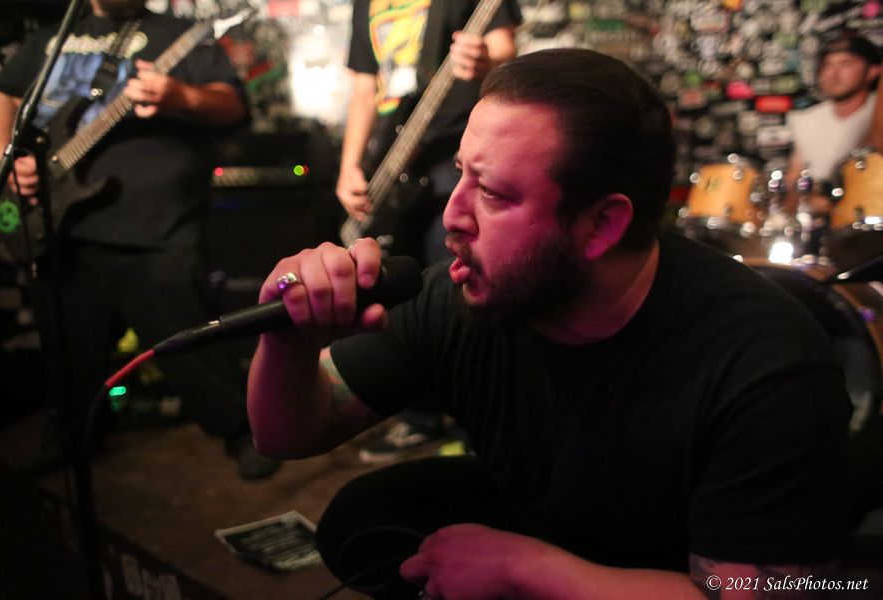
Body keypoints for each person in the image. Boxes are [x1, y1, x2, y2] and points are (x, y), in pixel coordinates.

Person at [248, 49, 852, 598]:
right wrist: (289, 342)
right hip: (557, 520)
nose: (453, 214)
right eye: (461, 174)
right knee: (364, 521)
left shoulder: (766, 363)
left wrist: (527, 571)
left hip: (669, 569)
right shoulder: (462, 296)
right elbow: (288, 435)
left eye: (492, 193)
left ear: (602, 226)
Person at [0, 0, 279, 480]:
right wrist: (5, 157)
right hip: (59, 227)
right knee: (68, 352)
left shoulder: (182, 34)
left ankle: (243, 430)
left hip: (156, 226)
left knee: (192, 344)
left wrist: (179, 96)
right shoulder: (54, 36)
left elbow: (232, 104)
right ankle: (72, 434)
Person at [337, 0, 521, 463]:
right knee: (401, 292)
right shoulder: (366, 4)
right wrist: (349, 166)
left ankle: (475, 425)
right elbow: (364, 89)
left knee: (461, 293)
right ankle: (419, 417)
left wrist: (484, 60)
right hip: (394, 156)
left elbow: (505, 50)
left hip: (455, 154)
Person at [786, 31, 881, 218]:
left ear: (873, 71)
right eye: (827, 65)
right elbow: (794, 177)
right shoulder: (805, 119)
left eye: (846, 64)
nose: (833, 74)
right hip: (820, 223)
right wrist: (800, 200)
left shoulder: (876, 113)